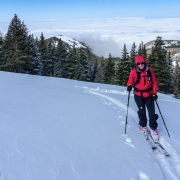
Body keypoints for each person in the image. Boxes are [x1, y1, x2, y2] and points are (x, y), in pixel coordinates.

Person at [127, 55, 159, 142]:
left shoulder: (149, 71)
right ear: (136, 64)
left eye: (142, 63)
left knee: (151, 112)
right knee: (142, 111)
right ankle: (143, 125)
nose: (141, 65)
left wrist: (154, 93)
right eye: (139, 63)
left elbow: (154, 82)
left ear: (145, 63)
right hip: (138, 95)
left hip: (149, 94)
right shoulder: (134, 72)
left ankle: (153, 128)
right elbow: (130, 81)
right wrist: (129, 86)